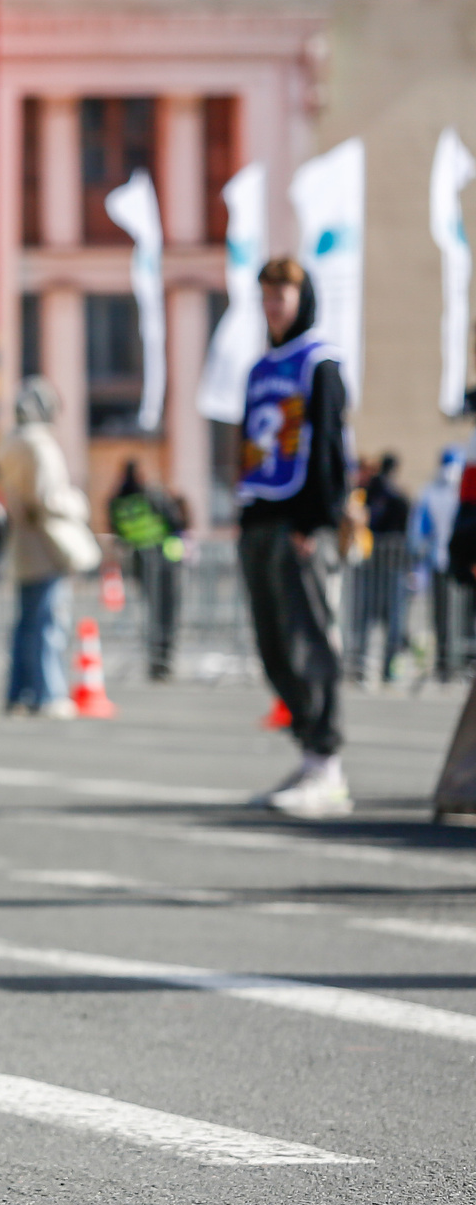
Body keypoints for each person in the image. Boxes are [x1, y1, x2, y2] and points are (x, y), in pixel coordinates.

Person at [237, 255, 357, 817]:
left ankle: (328, 764)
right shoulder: (260, 368)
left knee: (309, 640)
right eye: (266, 296)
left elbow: (330, 444)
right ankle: (309, 754)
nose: (272, 306)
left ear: (302, 299)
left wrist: (317, 520)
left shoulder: (320, 363)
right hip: (261, 517)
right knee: (273, 645)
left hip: (300, 524)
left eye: (281, 296)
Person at [0, 377, 94, 715]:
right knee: (49, 624)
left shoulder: (9, 443)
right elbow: (49, 497)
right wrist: (78, 503)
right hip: (47, 545)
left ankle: (19, 692)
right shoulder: (39, 445)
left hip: (24, 544)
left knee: (27, 624)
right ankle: (48, 693)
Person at [109, 459, 187, 682]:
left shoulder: (117, 501)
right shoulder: (151, 495)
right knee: (167, 612)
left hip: (139, 560)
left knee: (151, 611)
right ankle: (164, 659)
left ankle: (154, 659)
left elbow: (116, 531)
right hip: (164, 559)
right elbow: (175, 522)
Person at [356, 453, 411, 684]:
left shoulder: (382, 494)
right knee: (377, 618)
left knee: (383, 620)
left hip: (386, 565)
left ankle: (378, 665)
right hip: (380, 566)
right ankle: (368, 664)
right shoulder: (382, 494)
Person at [413, 445, 464, 681]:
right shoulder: (431, 492)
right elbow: (418, 531)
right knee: (443, 616)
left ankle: (458, 662)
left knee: (459, 616)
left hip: (458, 562)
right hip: (442, 563)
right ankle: (446, 663)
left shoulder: (460, 492)